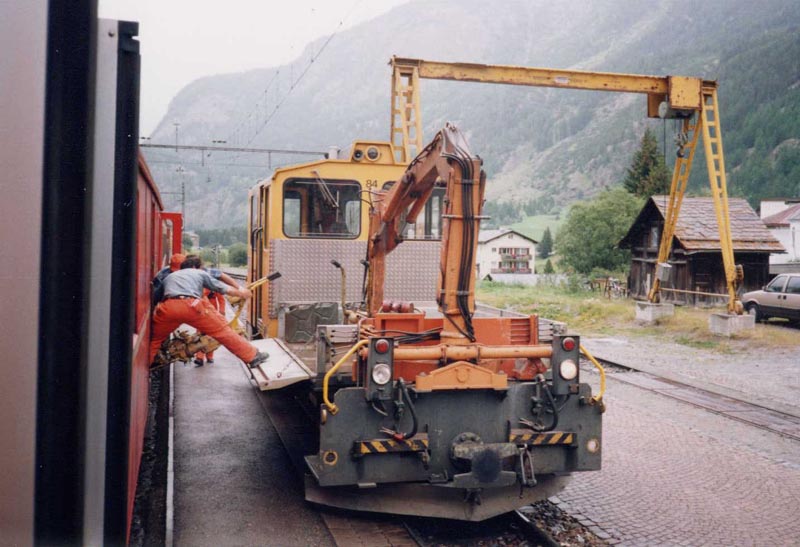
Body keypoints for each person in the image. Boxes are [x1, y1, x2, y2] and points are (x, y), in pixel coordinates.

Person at [149, 255, 268, 369]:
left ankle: (147, 365)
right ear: (195, 267)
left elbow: (155, 298)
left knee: (155, 340)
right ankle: (252, 356)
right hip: (192, 306)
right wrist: (242, 293)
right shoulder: (199, 273)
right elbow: (221, 287)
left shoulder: (169, 277)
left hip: (168, 308)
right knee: (222, 331)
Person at [193, 288, 225, 366]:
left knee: (211, 335)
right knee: (200, 334)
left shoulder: (214, 285)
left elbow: (221, 299)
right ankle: (199, 357)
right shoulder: (201, 285)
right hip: (201, 311)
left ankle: (209, 356)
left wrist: (221, 312)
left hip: (212, 312)